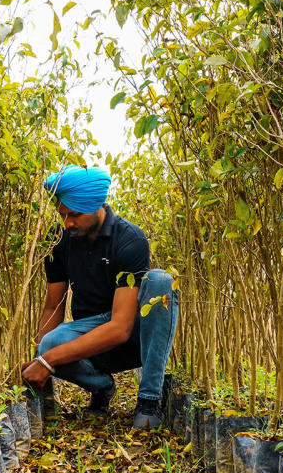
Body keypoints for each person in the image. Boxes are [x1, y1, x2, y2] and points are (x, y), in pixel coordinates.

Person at [20, 165, 179, 429]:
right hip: (90, 335)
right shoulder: (58, 239)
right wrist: (40, 358)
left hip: (133, 337)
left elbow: (120, 328)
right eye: (62, 215)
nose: (67, 222)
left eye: (74, 215)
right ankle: (102, 387)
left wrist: (48, 362)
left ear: (97, 206)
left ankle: (150, 398)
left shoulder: (130, 239)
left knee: (161, 280)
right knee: (48, 344)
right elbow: (53, 306)